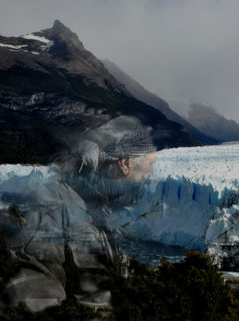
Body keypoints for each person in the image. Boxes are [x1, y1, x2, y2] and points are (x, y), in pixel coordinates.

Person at [0, 116, 157, 312]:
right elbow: (35, 295)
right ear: (125, 163)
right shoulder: (51, 204)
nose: (151, 173)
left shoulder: (100, 206)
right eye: (149, 164)